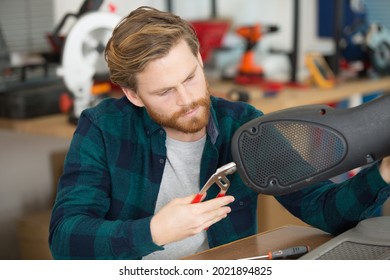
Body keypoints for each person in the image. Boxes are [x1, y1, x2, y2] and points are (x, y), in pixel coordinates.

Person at [49, 6, 390, 260]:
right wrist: (153, 231)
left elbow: (326, 211)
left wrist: (383, 175)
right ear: (133, 94)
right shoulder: (104, 127)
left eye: (190, 78)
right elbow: (65, 239)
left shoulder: (243, 126)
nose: (187, 101)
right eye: (165, 92)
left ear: (199, 58)